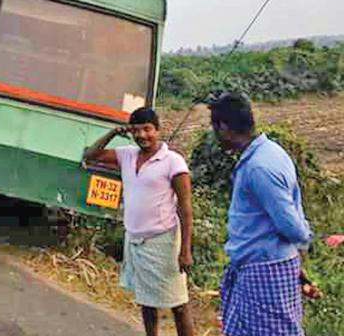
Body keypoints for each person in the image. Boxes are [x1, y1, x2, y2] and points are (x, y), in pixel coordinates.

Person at [209, 93, 317, 336]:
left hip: (264, 271)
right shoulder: (269, 152)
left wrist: (303, 242)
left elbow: (292, 226)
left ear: (224, 127)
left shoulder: (260, 167)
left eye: (215, 128)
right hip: (256, 267)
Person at [84, 107, 194, 336]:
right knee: (146, 301)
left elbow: (185, 209)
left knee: (178, 303)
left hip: (163, 241)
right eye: (136, 130)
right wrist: (114, 132)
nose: (142, 135)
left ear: (158, 130)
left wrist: (185, 250)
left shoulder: (173, 162)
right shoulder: (127, 155)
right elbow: (90, 155)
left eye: (147, 129)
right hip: (135, 240)